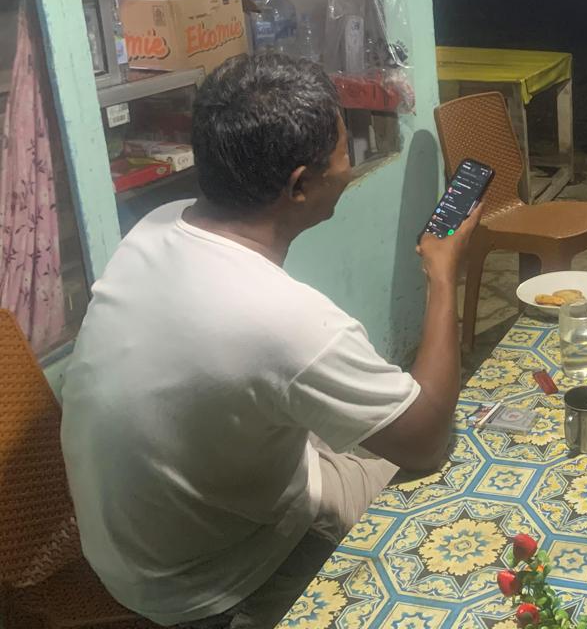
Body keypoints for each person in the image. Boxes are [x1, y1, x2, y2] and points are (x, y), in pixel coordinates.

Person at [60, 54, 477, 628]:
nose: (349, 169)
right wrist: (442, 272)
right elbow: (425, 441)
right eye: (344, 155)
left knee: (359, 430)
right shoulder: (287, 322)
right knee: (455, 466)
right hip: (218, 583)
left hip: (128, 554)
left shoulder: (157, 226)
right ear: (299, 186)